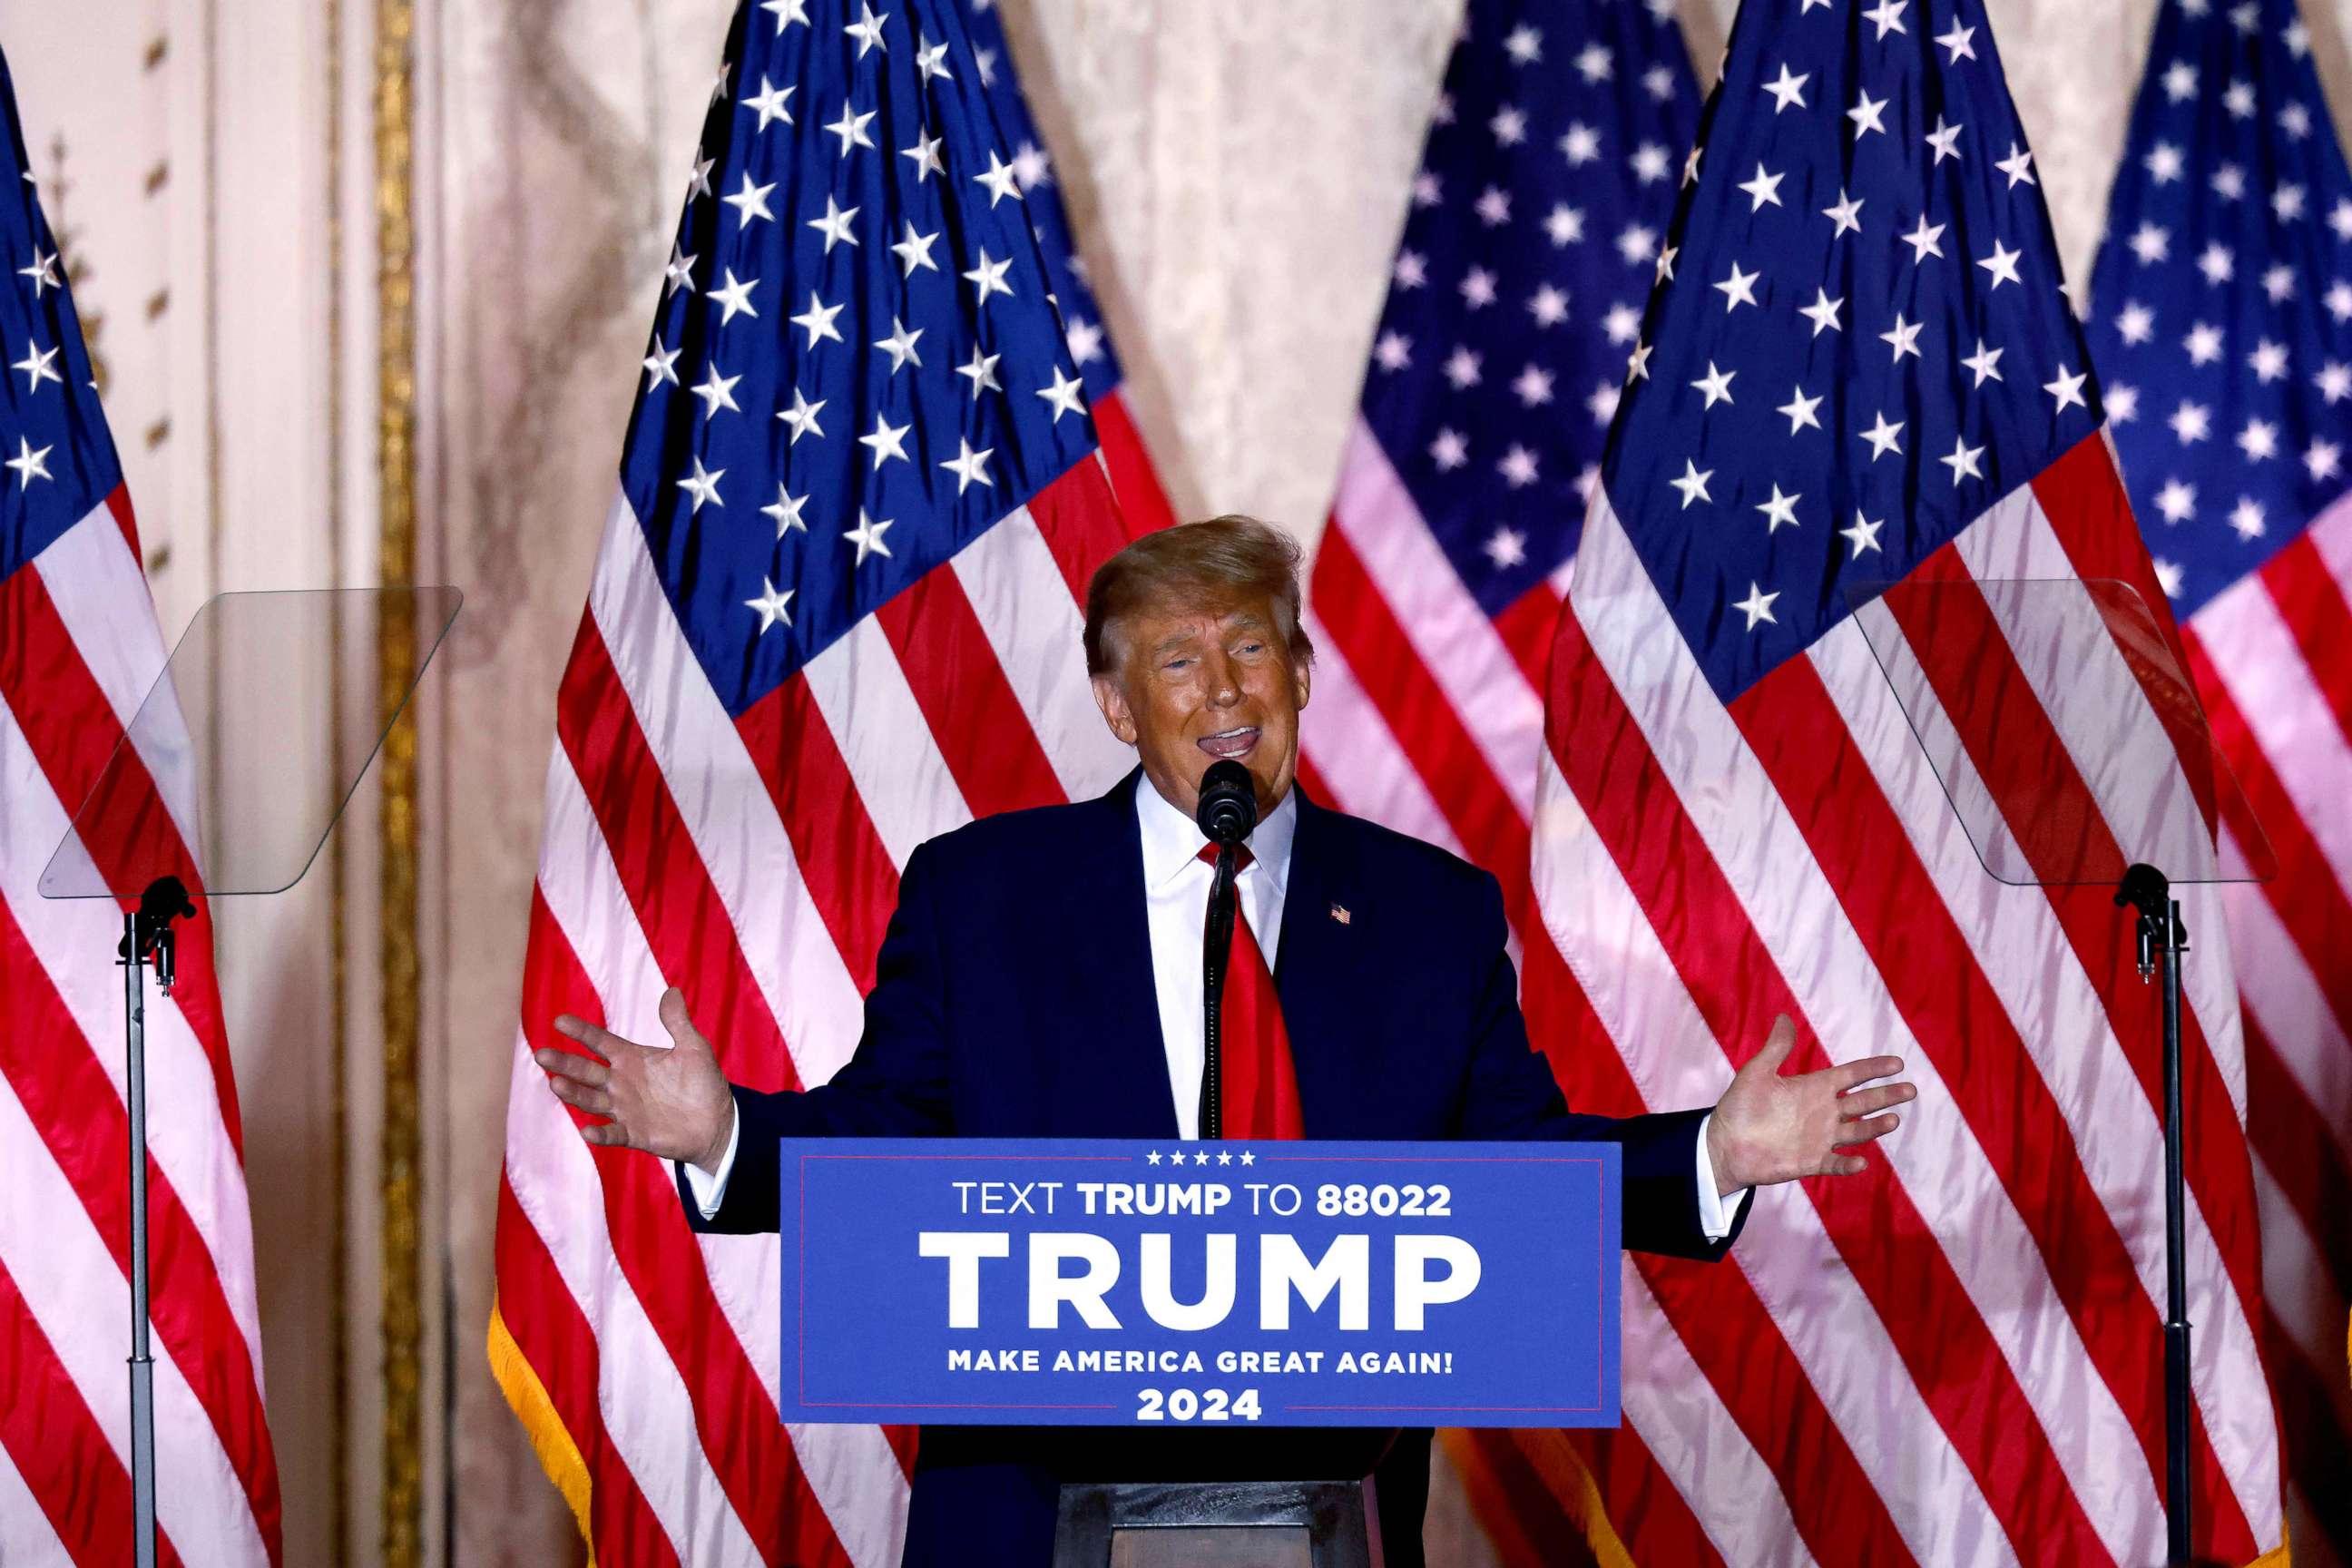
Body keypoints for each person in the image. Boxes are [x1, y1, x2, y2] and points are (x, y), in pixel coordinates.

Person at [534, 515, 1915, 1567]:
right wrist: (726, 1135)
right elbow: (889, 1136)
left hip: (1325, 1513)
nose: (1223, 688)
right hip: (1031, 1517)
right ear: (1123, 710)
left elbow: (1517, 1170)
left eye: (1251, 645)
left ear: (1302, 674)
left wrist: (1712, 1156)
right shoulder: (983, 895)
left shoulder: (1432, 915)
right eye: (1178, 661)